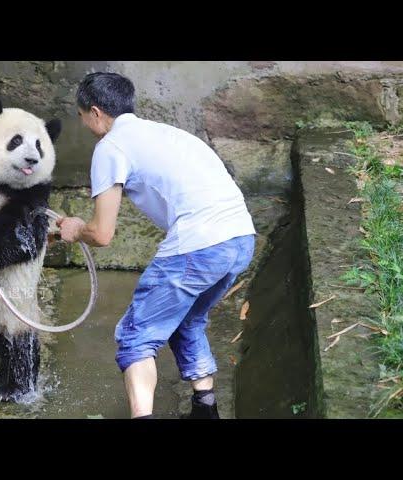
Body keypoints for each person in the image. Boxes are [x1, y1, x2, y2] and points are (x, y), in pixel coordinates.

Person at [56, 72, 256, 419]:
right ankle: (205, 411)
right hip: (240, 239)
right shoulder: (168, 133)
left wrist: (74, 229)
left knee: (136, 338)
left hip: (199, 245)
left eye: (82, 116)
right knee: (188, 321)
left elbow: (102, 234)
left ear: (95, 112)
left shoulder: (110, 147)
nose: (85, 124)